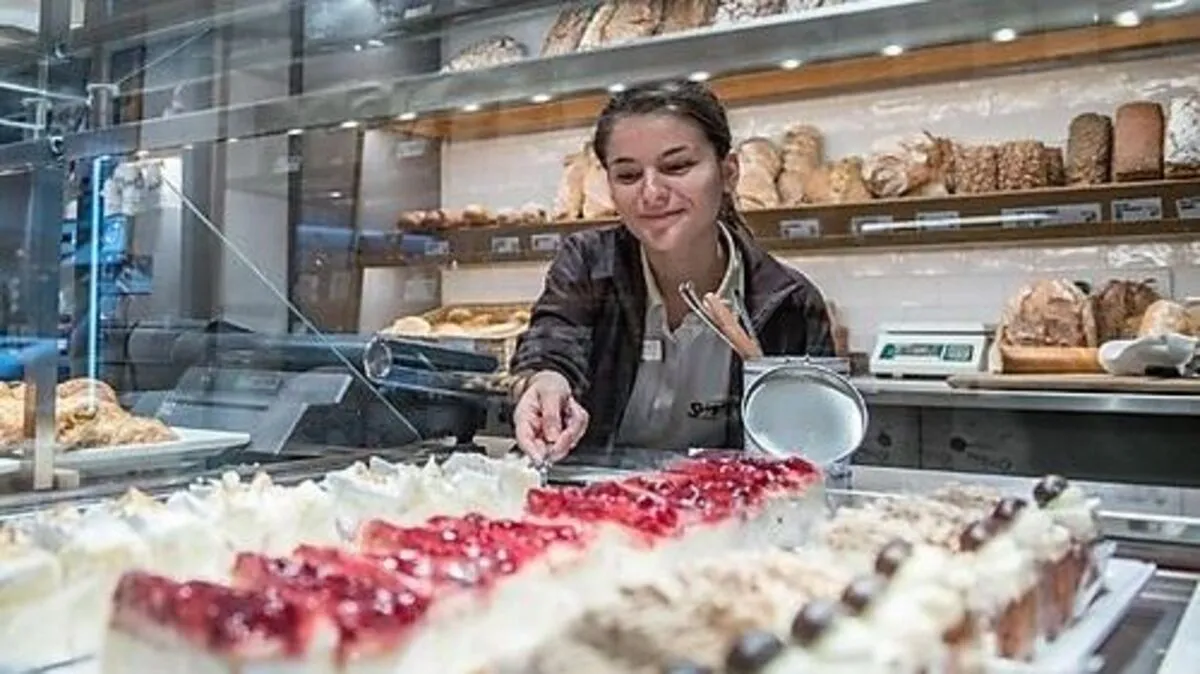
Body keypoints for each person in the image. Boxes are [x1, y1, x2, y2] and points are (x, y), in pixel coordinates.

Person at [509, 79, 834, 463]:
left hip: (728, 515)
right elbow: (553, 340)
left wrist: (779, 400)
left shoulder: (788, 302)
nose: (651, 193)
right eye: (628, 175)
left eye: (677, 166)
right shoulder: (589, 261)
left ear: (729, 172)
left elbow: (819, 448)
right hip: (589, 509)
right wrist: (546, 380)